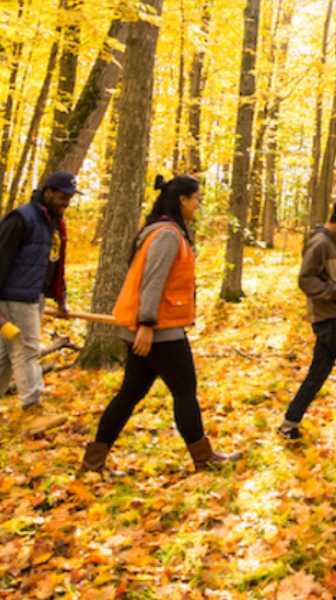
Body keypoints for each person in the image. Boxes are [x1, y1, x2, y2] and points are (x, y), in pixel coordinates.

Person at [81, 175, 239, 473]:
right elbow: (152, 282)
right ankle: (204, 459)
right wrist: (147, 325)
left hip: (153, 327)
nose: (198, 205)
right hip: (159, 330)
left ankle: (93, 461)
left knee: (129, 394)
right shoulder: (167, 235)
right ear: (182, 200)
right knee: (184, 391)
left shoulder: (163, 231)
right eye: (197, 199)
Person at [0, 171, 79, 417]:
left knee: (8, 355)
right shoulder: (21, 218)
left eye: (70, 198)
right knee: (28, 350)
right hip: (14, 297)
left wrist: (60, 299)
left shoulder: (52, 222)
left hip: (33, 296)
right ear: (48, 193)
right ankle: (33, 409)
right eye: (63, 197)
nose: (67, 203)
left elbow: (52, 263)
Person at [281, 195, 336, 440]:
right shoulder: (319, 243)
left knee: (319, 370)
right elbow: (306, 279)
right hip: (329, 318)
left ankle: (290, 423)